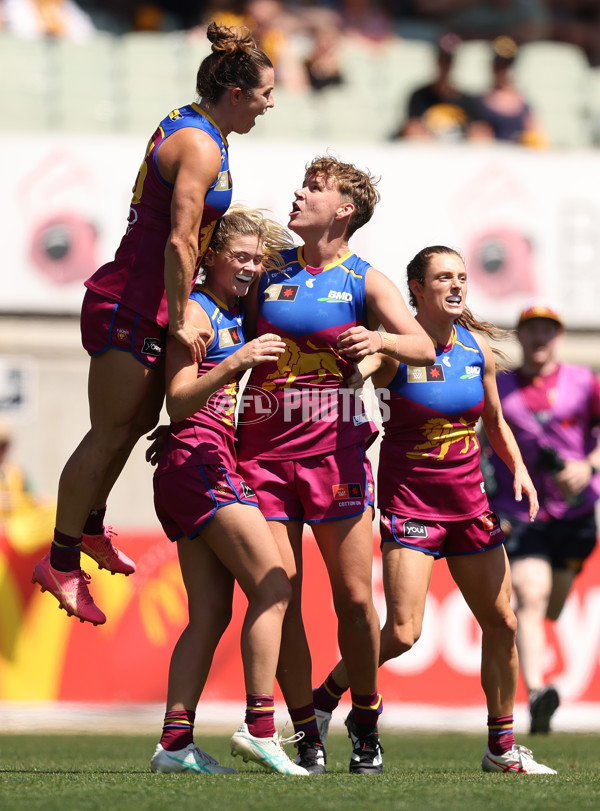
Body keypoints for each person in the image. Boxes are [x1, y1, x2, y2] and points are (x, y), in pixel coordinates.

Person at [31, 22, 276, 625]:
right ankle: (60, 561)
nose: (271, 104)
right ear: (237, 93)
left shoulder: (200, 126)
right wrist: (178, 318)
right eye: (266, 93)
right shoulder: (201, 144)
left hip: (148, 297)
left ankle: (88, 527)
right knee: (111, 430)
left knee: (138, 420)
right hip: (137, 298)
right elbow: (179, 238)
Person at [312, 246, 557, 775]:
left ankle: (501, 748)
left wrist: (518, 469)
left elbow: (494, 419)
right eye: (443, 277)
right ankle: (329, 695)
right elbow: (359, 376)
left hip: (471, 506)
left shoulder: (477, 351)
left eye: (462, 277)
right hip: (412, 506)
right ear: (416, 290)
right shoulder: (397, 353)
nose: (456, 285)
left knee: (504, 623)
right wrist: (360, 364)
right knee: (403, 632)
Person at [236, 156, 437, 775]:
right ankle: (303, 731)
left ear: (344, 209)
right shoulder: (269, 274)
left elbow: (424, 347)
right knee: (281, 594)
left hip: (336, 455)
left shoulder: (363, 279)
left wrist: (380, 341)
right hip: (262, 453)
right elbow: (228, 341)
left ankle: (365, 719)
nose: (298, 193)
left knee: (353, 600)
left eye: (314, 189)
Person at [149, 206, 309, 776]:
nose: (250, 267)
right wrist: (237, 361)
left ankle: (174, 744)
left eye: (256, 259)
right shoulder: (196, 311)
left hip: (197, 465)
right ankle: (261, 726)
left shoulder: (235, 308)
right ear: (211, 257)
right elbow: (179, 399)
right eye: (239, 257)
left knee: (211, 613)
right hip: (198, 463)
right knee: (274, 583)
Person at [484, 299, 600, 734]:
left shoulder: (584, 382)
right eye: (531, 329)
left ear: (559, 337)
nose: (539, 337)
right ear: (520, 335)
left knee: (550, 606)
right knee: (530, 597)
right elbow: (479, 436)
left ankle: (537, 687)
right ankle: (536, 693)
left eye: (547, 330)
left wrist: (587, 466)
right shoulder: (501, 385)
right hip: (522, 512)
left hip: (577, 514)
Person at [393, 32, 492, 141]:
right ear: (436, 61)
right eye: (442, 60)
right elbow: (412, 129)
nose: (445, 65)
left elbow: (480, 131)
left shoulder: (468, 100)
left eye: (448, 60)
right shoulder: (419, 96)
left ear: (454, 62)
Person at [477, 36, 547, 147]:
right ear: (492, 66)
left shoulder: (523, 101)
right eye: (499, 65)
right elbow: (480, 139)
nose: (502, 71)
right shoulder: (480, 103)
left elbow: (536, 134)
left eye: (507, 66)